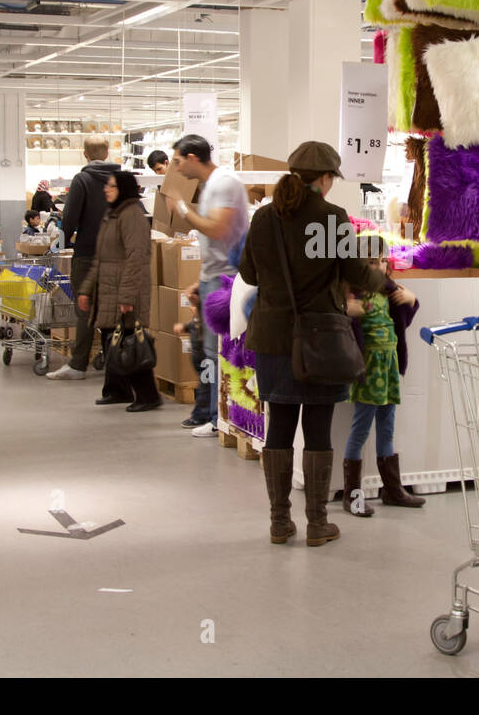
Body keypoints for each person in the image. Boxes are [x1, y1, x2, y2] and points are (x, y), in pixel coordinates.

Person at [239, 142, 386, 547]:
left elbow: (249, 274)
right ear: (324, 179)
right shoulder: (331, 218)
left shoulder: (265, 217)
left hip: (272, 339)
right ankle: (318, 524)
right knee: (318, 428)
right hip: (320, 338)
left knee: (280, 427)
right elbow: (356, 272)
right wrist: (381, 277)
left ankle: (279, 522)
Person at [170, 135, 248, 436]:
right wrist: (199, 280)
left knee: (216, 352)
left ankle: (218, 420)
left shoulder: (224, 182)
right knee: (205, 350)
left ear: (192, 157)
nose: (176, 168)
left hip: (225, 277)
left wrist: (184, 211)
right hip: (212, 276)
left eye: (177, 161)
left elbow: (218, 228)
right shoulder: (213, 184)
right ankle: (210, 413)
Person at [342, 234, 424, 516]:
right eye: (369, 262)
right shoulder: (353, 294)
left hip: (388, 367)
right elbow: (339, 325)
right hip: (368, 369)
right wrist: (346, 310)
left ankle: (392, 489)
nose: (376, 267)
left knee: (387, 425)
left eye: (379, 261)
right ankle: (352, 495)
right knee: (361, 428)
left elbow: (404, 318)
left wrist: (411, 299)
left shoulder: (390, 292)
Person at [76, 171, 160, 413]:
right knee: (111, 339)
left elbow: (137, 259)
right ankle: (117, 390)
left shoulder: (132, 215)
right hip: (109, 289)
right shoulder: (112, 214)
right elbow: (100, 260)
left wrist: (126, 296)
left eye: (111, 186)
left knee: (130, 342)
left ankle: (148, 395)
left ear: (122, 188)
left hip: (125, 291)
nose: (106, 189)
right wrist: (86, 290)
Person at [46, 135, 120, 381]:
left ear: (85, 154)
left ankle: (78, 365)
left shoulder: (83, 179)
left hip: (88, 253)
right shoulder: (122, 179)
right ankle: (114, 363)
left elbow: (69, 219)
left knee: (85, 309)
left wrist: (62, 242)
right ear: (108, 153)